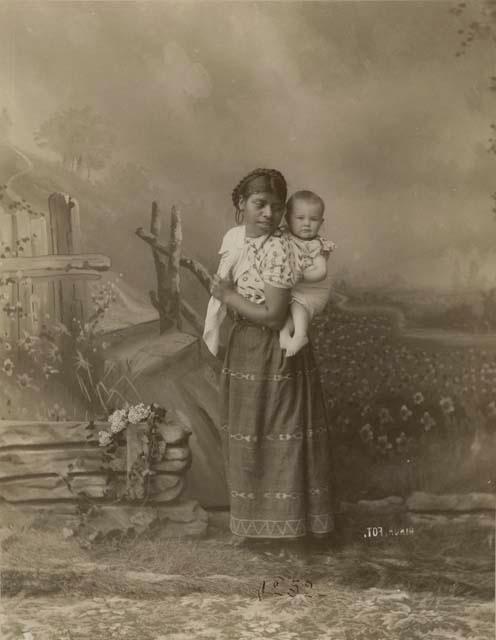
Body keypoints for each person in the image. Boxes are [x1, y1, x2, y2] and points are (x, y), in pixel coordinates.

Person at [209, 168, 335, 542]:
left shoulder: (278, 248)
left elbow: (274, 314)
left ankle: (289, 528)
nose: (268, 213)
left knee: (280, 434)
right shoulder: (235, 239)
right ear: (240, 204)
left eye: (276, 207)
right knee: (248, 435)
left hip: (273, 348)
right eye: (259, 204)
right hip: (244, 345)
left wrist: (228, 296)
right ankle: (251, 525)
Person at [279, 190, 336, 357]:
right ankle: (285, 334)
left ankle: (300, 335)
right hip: (295, 286)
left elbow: (321, 271)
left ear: (321, 222)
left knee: (297, 304)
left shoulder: (316, 245)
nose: (307, 224)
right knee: (287, 308)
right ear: (287, 218)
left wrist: (302, 276)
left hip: (312, 288)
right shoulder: (284, 236)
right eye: (300, 218)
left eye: (313, 219)